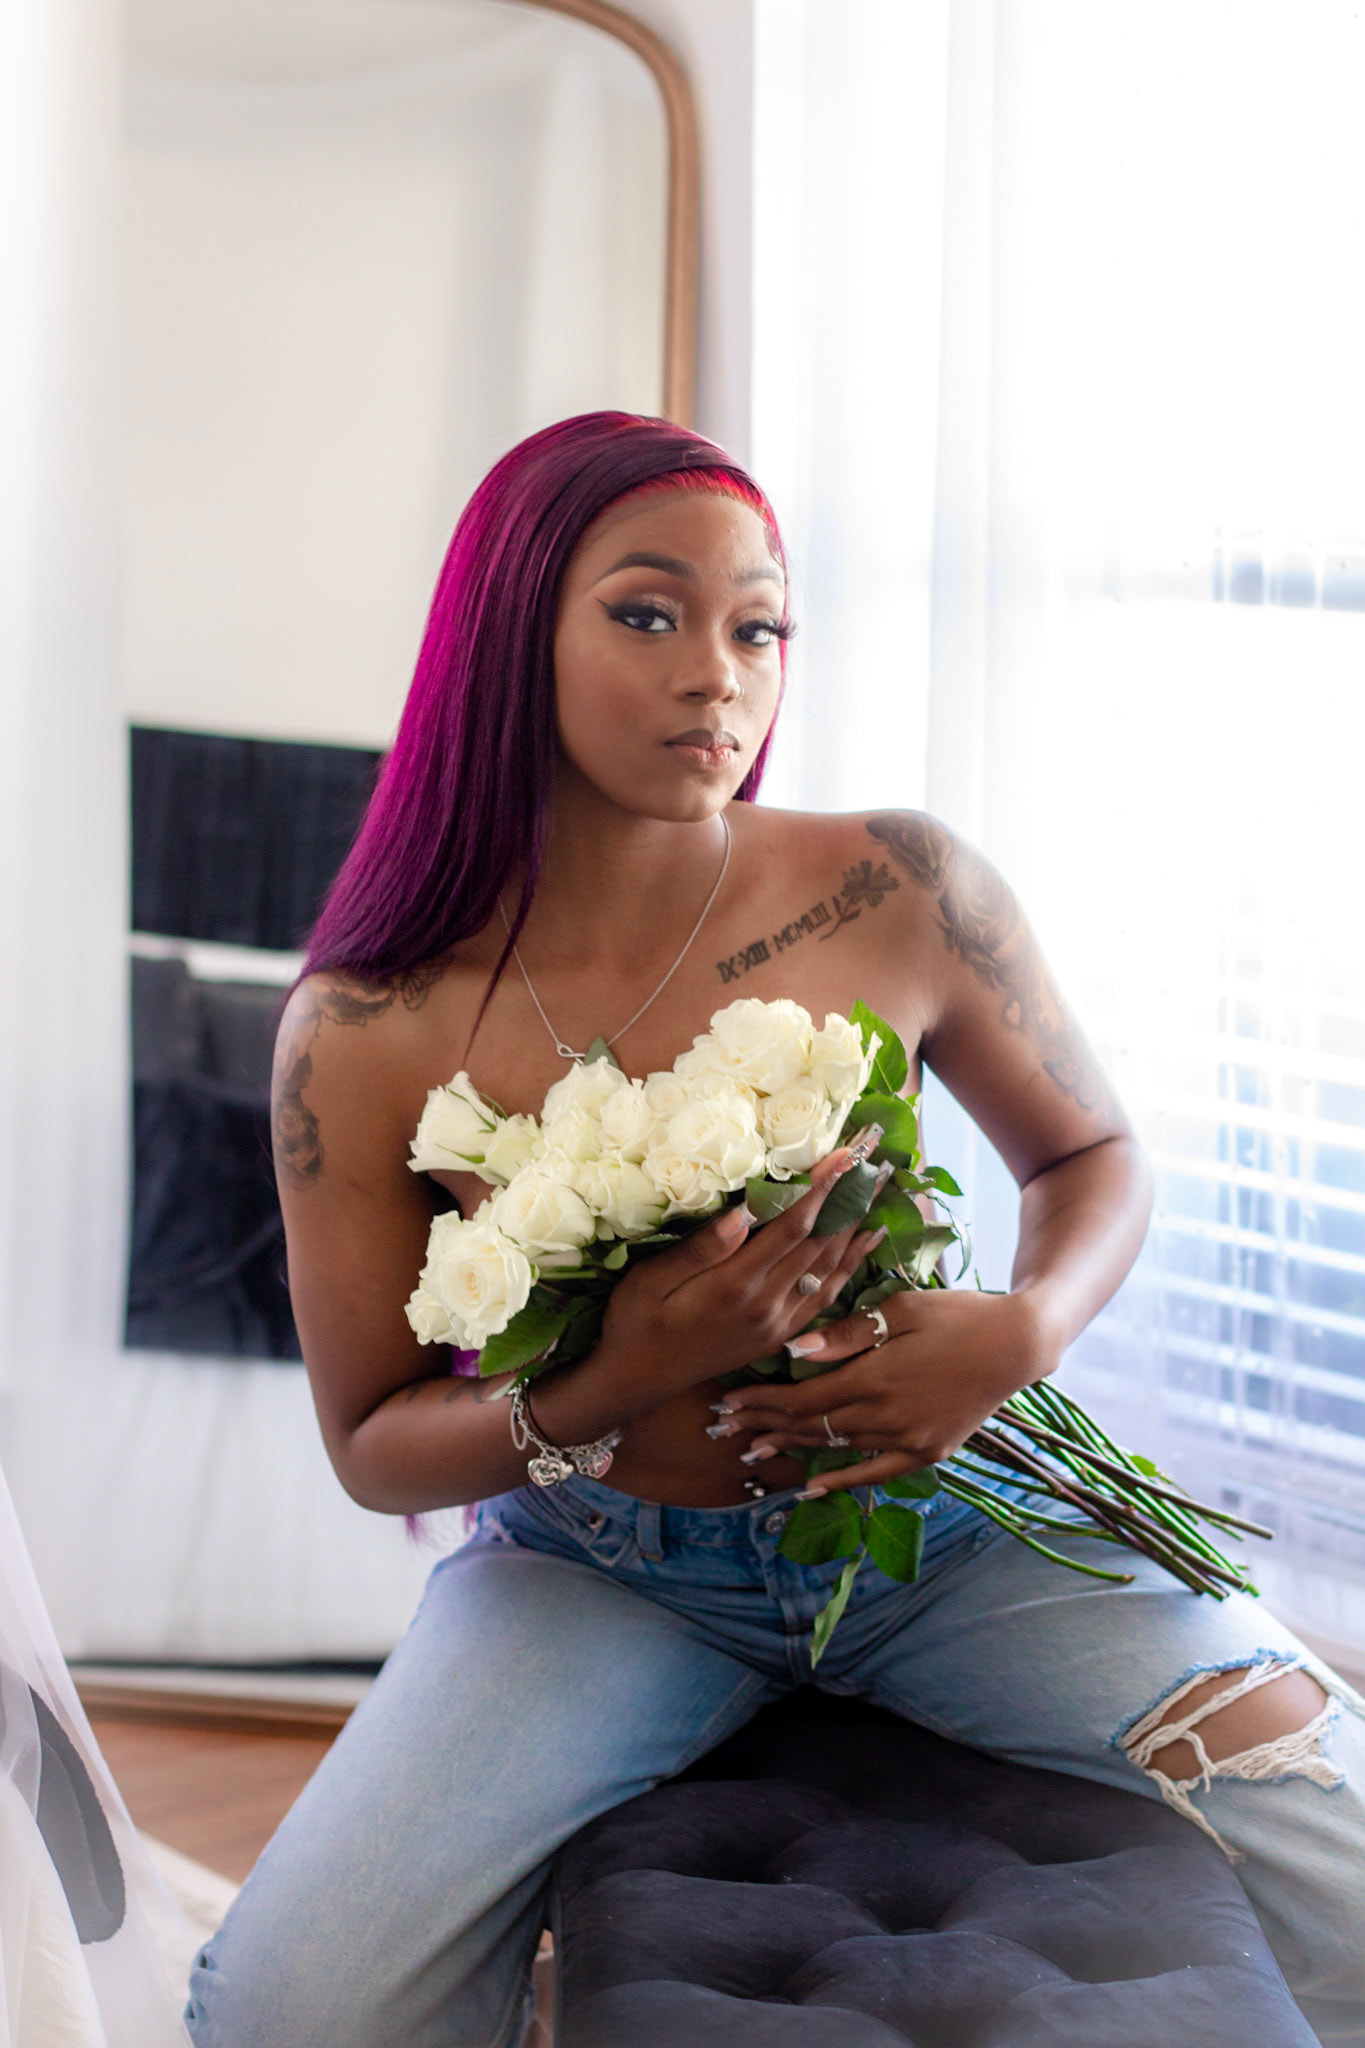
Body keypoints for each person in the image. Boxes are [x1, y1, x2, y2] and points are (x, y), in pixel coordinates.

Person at [186, 412, 1365, 2048]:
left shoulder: (895, 886)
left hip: (959, 1533)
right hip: (604, 1575)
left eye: (758, 629)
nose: (714, 676)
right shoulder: (365, 1026)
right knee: (292, 2012)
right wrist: (616, 1375)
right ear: (509, 633)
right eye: (646, 614)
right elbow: (374, 1445)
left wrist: (1020, 1330)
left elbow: (1090, 1154)